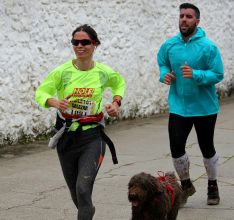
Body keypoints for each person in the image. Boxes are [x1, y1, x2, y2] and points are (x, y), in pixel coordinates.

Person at [35, 24, 125, 219]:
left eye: (85, 42)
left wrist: (116, 103)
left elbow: (119, 83)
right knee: (77, 194)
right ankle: (87, 211)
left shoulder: (102, 72)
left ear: (95, 45)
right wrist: (54, 102)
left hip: (93, 137)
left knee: (83, 188)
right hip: (66, 137)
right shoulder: (62, 72)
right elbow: (41, 92)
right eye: (75, 42)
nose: (80, 46)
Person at [157, 3, 224, 205]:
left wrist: (196, 74)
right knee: (176, 147)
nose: (184, 19)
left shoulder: (208, 47)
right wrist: (164, 75)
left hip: (204, 107)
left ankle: (212, 185)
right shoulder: (169, 45)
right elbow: (162, 62)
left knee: (206, 147)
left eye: (188, 16)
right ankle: (186, 186)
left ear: (197, 21)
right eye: (181, 16)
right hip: (179, 105)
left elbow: (218, 74)